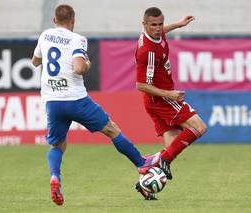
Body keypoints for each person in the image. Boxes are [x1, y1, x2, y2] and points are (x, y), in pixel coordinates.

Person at [32, 4, 161, 205]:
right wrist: (88, 63)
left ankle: (55, 176)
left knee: (57, 145)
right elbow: (79, 68)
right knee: (111, 129)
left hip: (52, 101)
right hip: (76, 99)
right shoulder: (77, 39)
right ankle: (141, 164)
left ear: (54, 20)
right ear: (73, 21)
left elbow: (35, 61)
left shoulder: (45, 35)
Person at [135, 6, 208, 194]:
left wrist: (178, 24)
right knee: (200, 127)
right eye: (153, 25)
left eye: (160, 24)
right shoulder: (148, 52)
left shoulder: (154, 34)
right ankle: (162, 160)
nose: (158, 28)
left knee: (173, 143)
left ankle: (145, 181)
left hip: (153, 101)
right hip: (161, 99)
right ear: (144, 25)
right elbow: (141, 84)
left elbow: (161, 31)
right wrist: (170, 95)